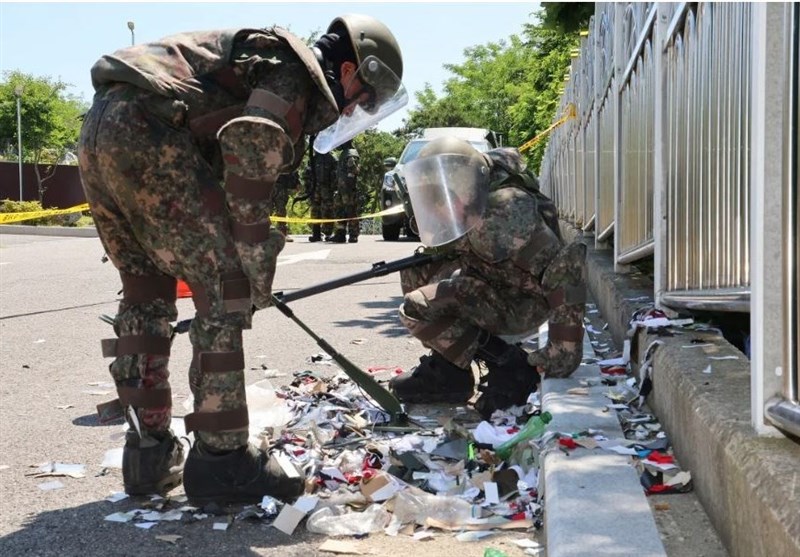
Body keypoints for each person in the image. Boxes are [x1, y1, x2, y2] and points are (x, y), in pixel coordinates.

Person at [77, 14, 406, 505]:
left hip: (101, 130)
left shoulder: (260, 57)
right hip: (150, 133)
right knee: (226, 290)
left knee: (145, 296)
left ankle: (148, 456)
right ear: (349, 72)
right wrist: (252, 263)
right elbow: (250, 142)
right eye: (363, 98)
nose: (353, 110)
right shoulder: (294, 71)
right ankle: (223, 463)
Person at [389, 137, 586, 419]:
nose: (436, 210)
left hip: (524, 303)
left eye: (441, 200)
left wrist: (562, 352)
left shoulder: (502, 215)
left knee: (416, 307)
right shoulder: (472, 208)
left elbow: (564, 269)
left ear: (464, 191)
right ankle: (451, 373)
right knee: (415, 271)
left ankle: (508, 364)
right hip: (497, 283)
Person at [330, 140, 361, 243]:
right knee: (339, 211)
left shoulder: (350, 154)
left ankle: (353, 235)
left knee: (351, 211)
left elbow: (354, 171)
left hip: (348, 190)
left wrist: (348, 187)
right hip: (341, 189)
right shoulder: (345, 153)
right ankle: (340, 234)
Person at [304, 148, 338, 242]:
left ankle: (328, 233)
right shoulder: (313, 159)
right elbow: (308, 174)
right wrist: (308, 189)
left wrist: (334, 189)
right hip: (315, 189)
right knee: (315, 211)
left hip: (327, 189)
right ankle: (316, 234)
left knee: (328, 210)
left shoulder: (332, 158)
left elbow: (336, 175)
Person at [272, 171, 300, 242]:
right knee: (265, 210)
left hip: (281, 186)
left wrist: (296, 182)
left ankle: (282, 234)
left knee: (281, 211)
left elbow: (292, 167)